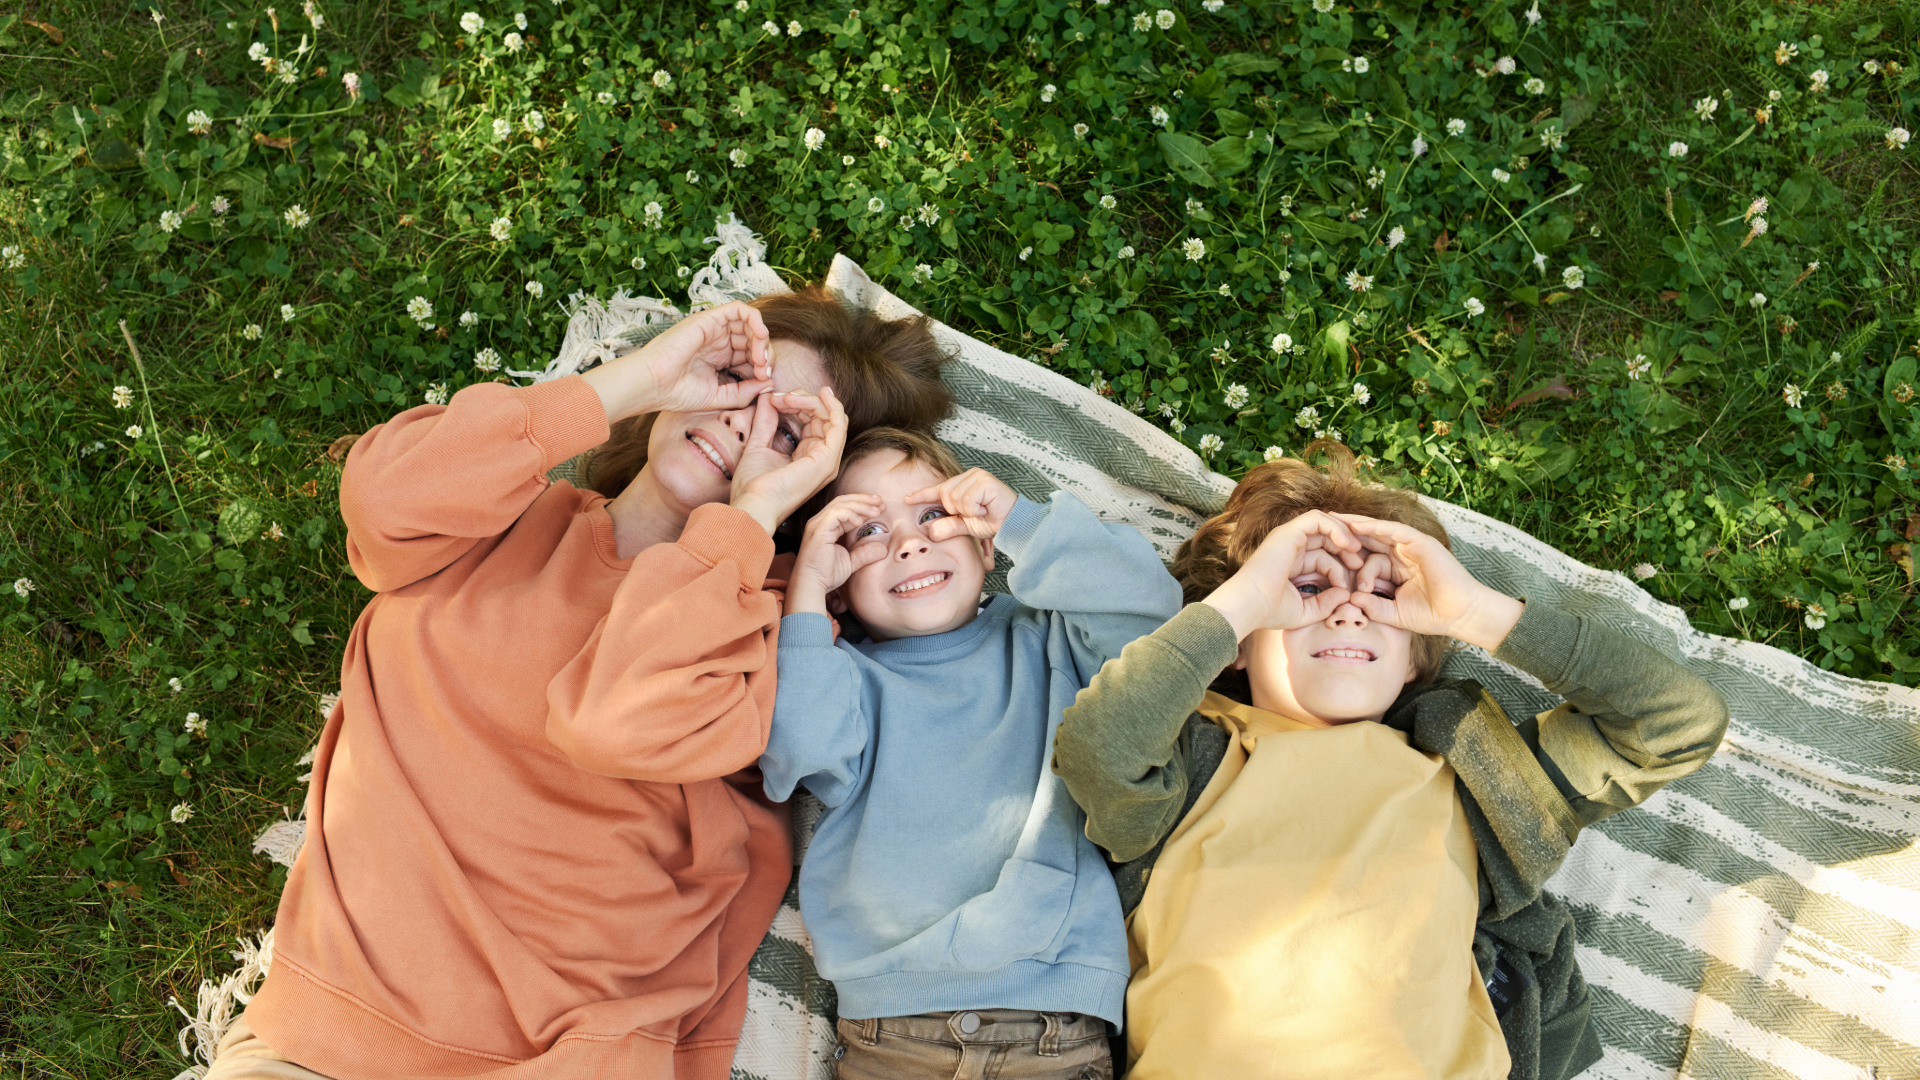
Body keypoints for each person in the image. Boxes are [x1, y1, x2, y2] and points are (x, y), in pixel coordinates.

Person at [210, 289, 953, 1080]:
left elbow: (616, 721)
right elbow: (380, 497)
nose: (743, 420)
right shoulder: (500, 510)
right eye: (740, 379)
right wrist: (642, 377)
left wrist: (754, 513)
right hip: (329, 1038)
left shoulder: (771, 626)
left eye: (787, 426)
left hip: (571, 1053)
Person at [1052, 442, 1730, 1080]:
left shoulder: (1473, 780)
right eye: (1308, 588)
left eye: (1382, 600)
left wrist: (1475, 612)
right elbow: (1096, 748)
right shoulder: (1193, 759)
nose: (1347, 611)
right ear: (1234, 643)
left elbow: (1679, 723)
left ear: (1415, 657)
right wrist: (1244, 599)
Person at [760, 428, 1184, 1080]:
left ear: (986, 548)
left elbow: (1151, 611)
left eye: (932, 514)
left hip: (1052, 1020)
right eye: (868, 532)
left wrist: (1023, 519)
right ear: (842, 584)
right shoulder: (845, 677)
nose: (909, 542)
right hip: (891, 1030)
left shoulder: (1051, 638)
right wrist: (807, 592)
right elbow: (795, 748)